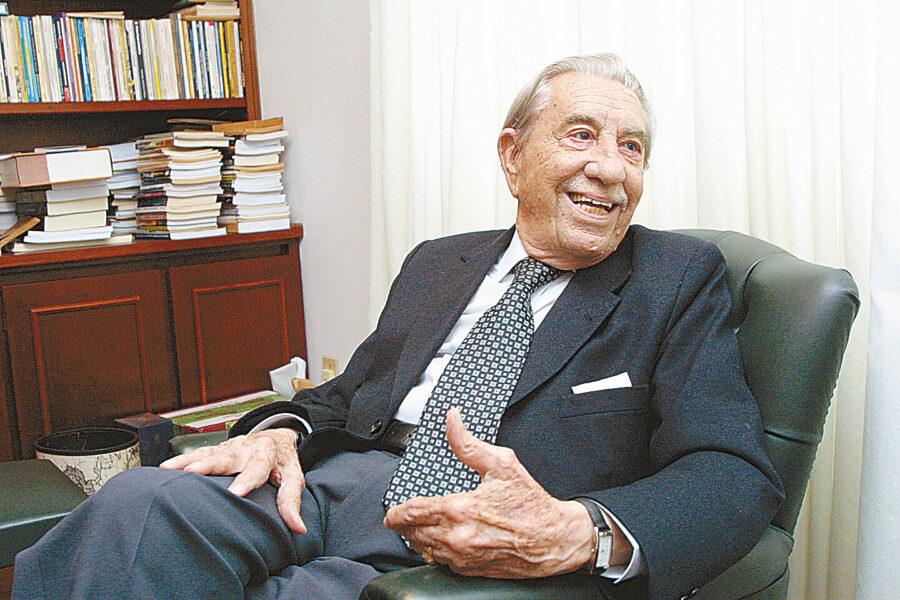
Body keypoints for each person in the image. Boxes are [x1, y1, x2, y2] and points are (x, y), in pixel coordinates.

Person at [13, 53, 783, 600]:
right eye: (581, 135)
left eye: (632, 147)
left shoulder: (676, 278)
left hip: (463, 537)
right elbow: (350, 394)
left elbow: (732, 474)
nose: (612, 168)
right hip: (326, 487)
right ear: (513, 158)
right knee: (134, 507)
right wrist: (278, 430)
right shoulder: (438, 262)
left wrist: (578, 532)